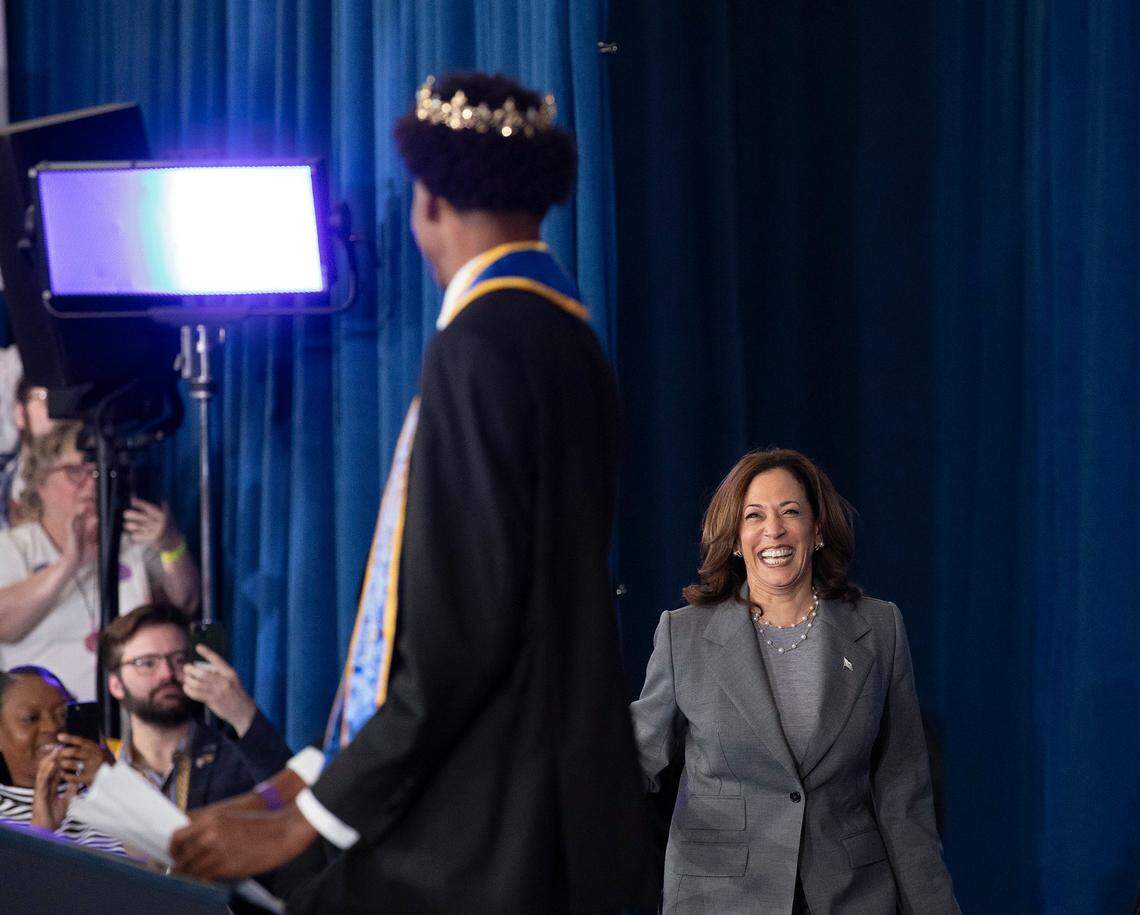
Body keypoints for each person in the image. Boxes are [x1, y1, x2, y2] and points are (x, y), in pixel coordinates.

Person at [171, 71, 655, 912]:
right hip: (567, 808)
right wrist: (305, 775)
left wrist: (309, 817)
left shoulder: (477, 345)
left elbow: (461, 633)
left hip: (482, 831)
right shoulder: (571, 339)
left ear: (428, 201)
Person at [630, 448, 959, 913]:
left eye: (790, 512)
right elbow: (630, 763)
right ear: (734, 539)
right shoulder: (684, 635)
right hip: (720, 899)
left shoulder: (879, 628)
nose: (774, 530)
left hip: (849, 897)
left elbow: (903, 796)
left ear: (817, 529)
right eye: (754, 516)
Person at [0, 423, 199, 699]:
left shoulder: (131, 543)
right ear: (40, 482)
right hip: (45, 720)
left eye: (97, 471)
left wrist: (171, 545)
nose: (92, 483)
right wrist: (67, 565)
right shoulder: (13, 546)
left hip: (129, 718)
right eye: (75, 472)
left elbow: (186, 604)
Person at [92, 603, 293, 811]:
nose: (167, 673)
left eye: (179, 659)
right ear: (115, 685)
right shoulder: (104, 768)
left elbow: (295, 808)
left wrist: (242, 714)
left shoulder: (235, 759)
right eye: (147, 663)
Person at [0, 664, 121, 853]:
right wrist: (41, 832)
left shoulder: (113, 792)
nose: (52, 727)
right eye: (31, 718)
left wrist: (114, 784)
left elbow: (168, 863)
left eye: (63, 714)